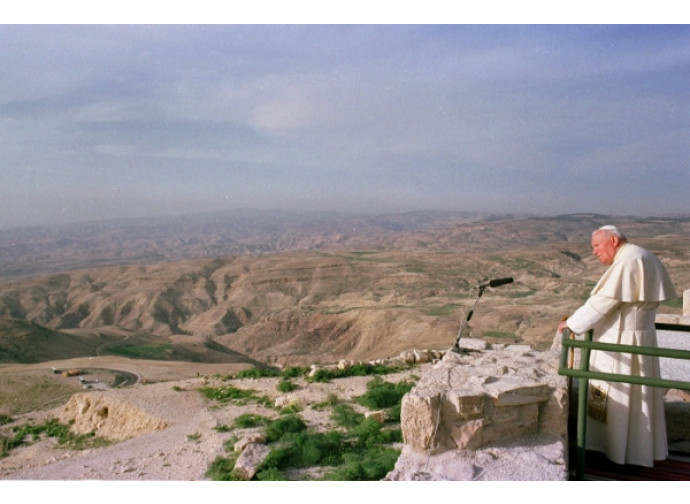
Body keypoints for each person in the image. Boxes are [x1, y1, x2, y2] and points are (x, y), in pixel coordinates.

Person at [558, 225, 676, 467]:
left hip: (621, 341)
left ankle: (611, 455)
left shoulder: (628, 261)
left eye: (597, 246)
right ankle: (634, 453)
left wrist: (571, 323)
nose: (594, 252)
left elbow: (601, 304)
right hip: (639, 337)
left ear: (613, 240)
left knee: (615, 397)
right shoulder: (641, 255)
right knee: (636, 398)